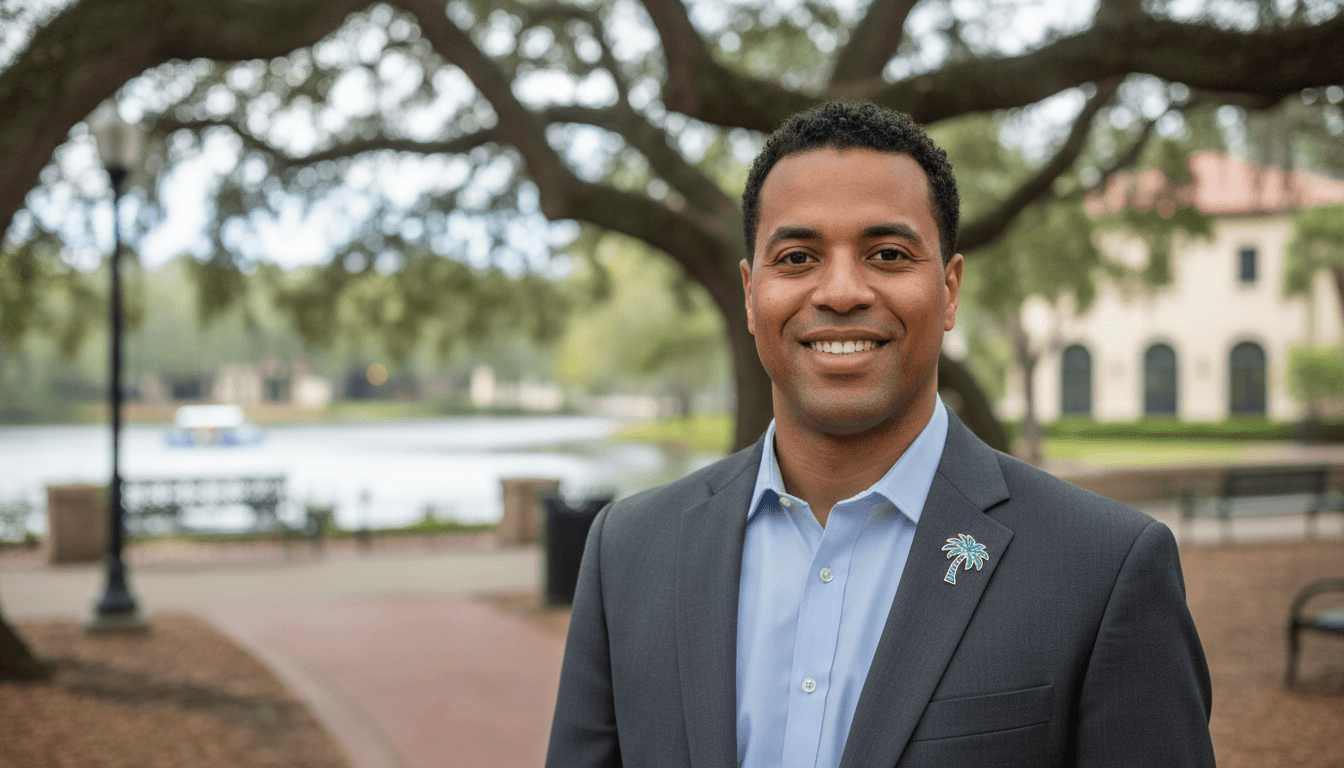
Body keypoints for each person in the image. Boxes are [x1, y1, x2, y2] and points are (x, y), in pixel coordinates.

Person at [546, 101, 1215, 767]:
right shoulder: (628, 552)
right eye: (798, 256)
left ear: (949, 290)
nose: (841, 292)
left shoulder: (1103, 569)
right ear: (750, 294)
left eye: (888, 254)